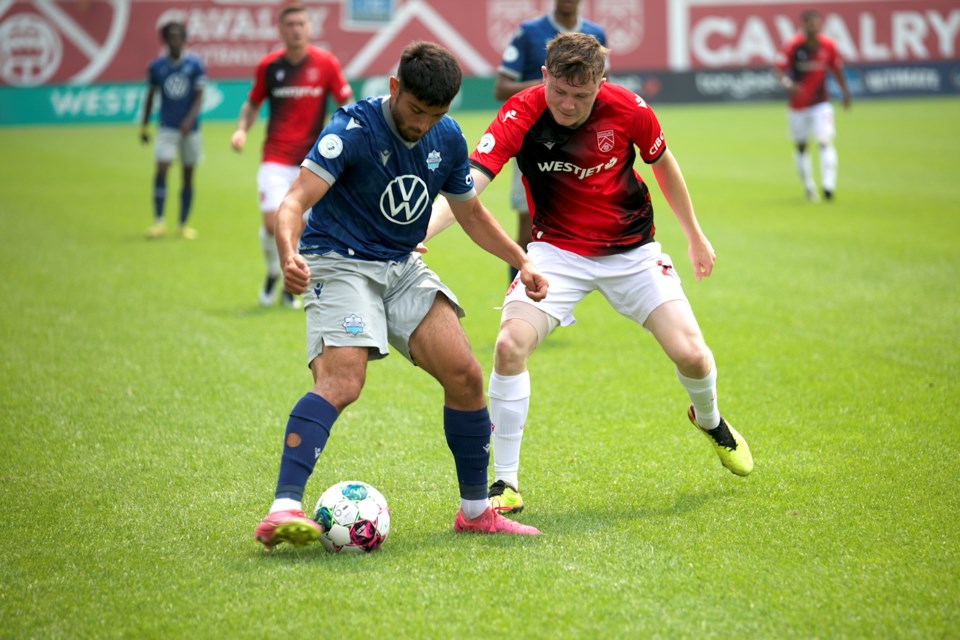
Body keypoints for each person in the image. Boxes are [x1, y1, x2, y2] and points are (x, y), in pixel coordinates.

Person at [427, 32, 754, 515]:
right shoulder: (521, 111)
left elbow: (662, 164)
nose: (566, 104)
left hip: (633, 253)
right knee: (508, 346)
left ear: (602, 82)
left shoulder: (629, 109)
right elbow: (471, 182)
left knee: (694, 357)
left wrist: (694, 234)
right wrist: (423, 230)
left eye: (581, 95)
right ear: (545, 76)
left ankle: (708, 420)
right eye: (559, 91)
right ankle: (505, 482)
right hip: (556, 253)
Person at [252, 41, 550, 550]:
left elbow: (471, 213)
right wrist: (287, 255)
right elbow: (293, 202)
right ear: (395, 89)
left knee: (466, 375)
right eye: (415, 110)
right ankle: (282, 509)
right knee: (343, 381)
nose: (423, 123)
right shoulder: (351, 130)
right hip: (338, 260)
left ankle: (476, 513)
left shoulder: (447, 136)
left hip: (400, 265)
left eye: (436, 114)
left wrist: (521, 260)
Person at [230, 3, 353, 309]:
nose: (296, 29)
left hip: (314, 161)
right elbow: (252, 103)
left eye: (301, 24)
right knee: (274, 223)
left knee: (304, 224)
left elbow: (346, 102)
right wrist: (241, 129)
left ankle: (290, 281)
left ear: (309, 28)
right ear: (281, 30)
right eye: (290, 24)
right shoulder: (269, 66)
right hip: (275, 155)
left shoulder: (326, 63)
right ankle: (276, 270)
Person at [494, 0, 606, 279]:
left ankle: (558, 300)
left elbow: (603, 91)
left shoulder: (596, 35)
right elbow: (501, 88)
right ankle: (519, 296)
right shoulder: (529, 32)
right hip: (533, 141)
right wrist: (550, 87)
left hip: (577, 142)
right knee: (528, 228)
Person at [773, 9, 851, 203]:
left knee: (825, 141)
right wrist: (789, 85)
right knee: (801, 146)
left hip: (820, 103)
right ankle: (809, 186)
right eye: (808, 23)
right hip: (797, 105)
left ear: (819, 24)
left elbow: (836, 68)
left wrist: (845, 91)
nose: (812, 26)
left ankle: (828, 186)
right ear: (803, 24)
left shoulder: (828, 45)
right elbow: (779, 70)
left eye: (815, 23)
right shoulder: (793, 46)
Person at [140, 21, 206, 240]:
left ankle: (182, 224)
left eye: (179, 36)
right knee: (161, 169)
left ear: (184, 38)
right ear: (165, 39)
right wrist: (144, 125)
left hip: (191, 130)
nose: (175, 40)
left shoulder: (195, 64)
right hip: (167, 127)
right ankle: (159, 221)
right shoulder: (156, 66)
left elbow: (198, 96)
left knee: (188, 175)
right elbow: (150, 96)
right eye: (171, 36)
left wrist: (189, 119)